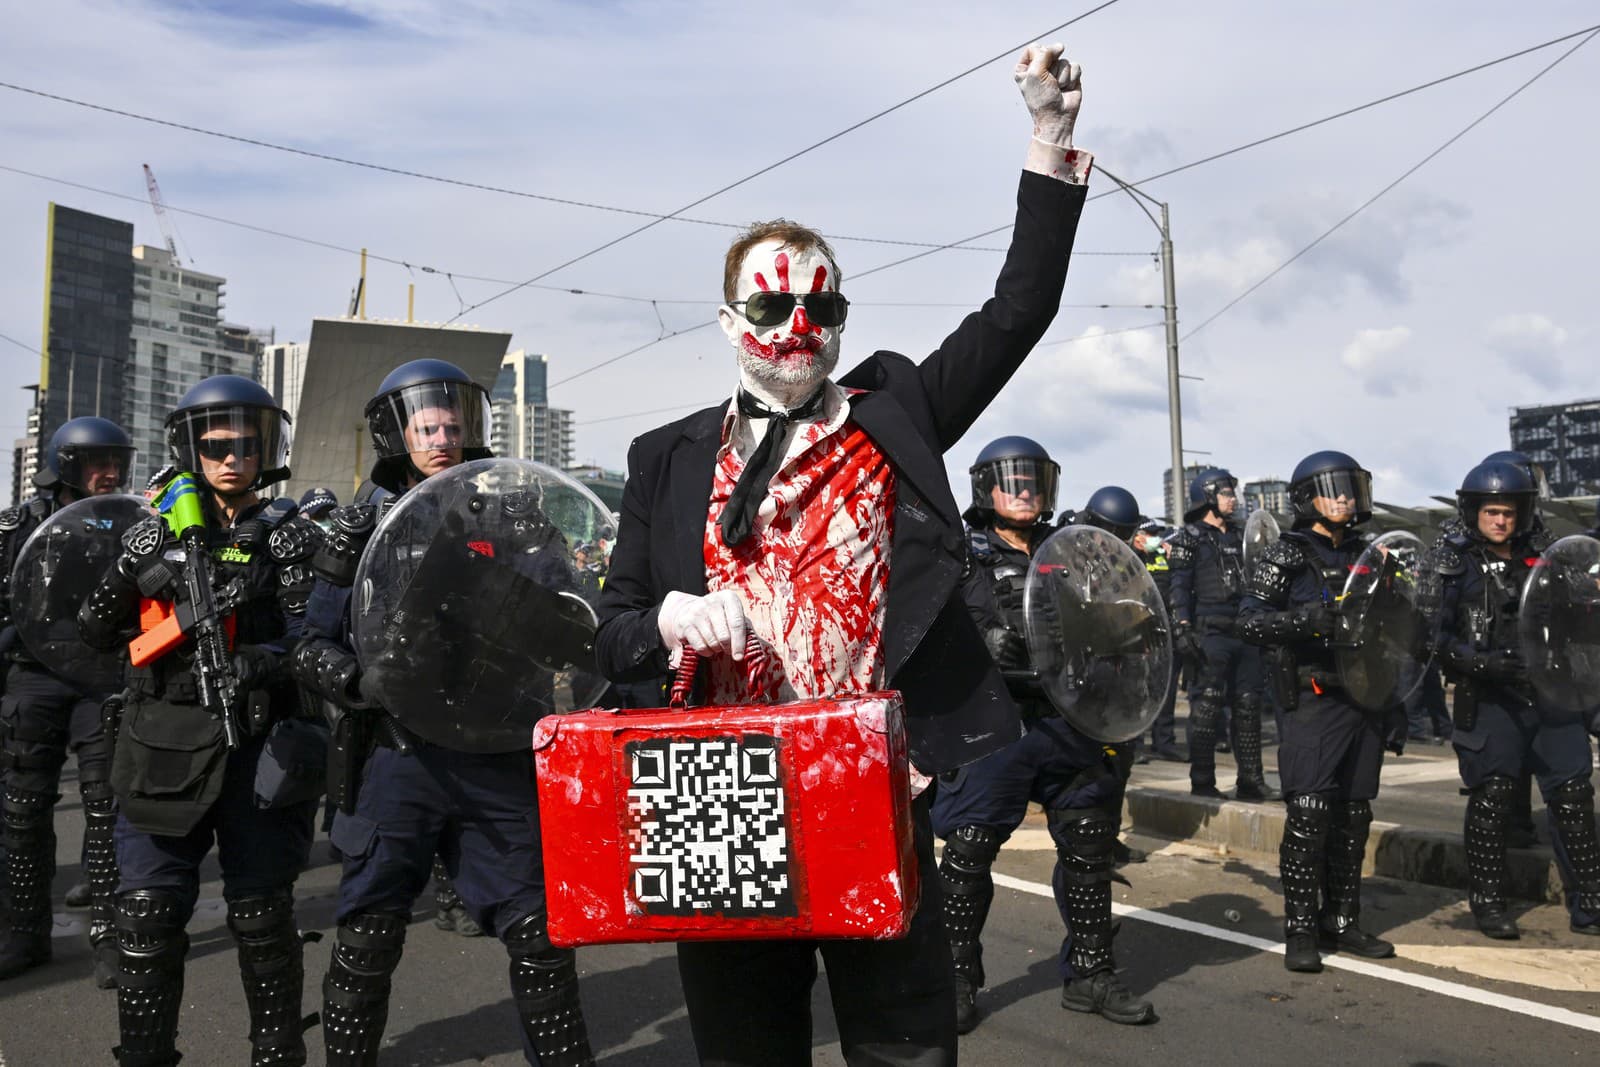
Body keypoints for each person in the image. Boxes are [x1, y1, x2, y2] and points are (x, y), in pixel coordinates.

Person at [592, 42, 1092, 1065]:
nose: (799, 325)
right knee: (743, 1046)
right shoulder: (664, 457)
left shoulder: (891, 412)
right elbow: (611, 629)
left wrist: (1047, 139)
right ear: (730, 321)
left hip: (871, 780)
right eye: (774, 305)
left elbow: (1015, 313)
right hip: (714, 786)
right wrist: (666, 618)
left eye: (821, 305)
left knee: (904, 1041)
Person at [291, 358, 595, 1066]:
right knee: (368, 938)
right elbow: (309, 647)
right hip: (399, 755)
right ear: (397, 432)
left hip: (494, 747)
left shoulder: (510, 515)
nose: (442, 436)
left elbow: (572, 621)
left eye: (453, 423)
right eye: (426, 424)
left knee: (542, 938)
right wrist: (359, 684)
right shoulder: (360, 525)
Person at [76, 376, 324, 1065]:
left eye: (245, 442)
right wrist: (129, 567)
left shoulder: (289, 534)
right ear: (190, 448)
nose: (230, 456)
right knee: (148, 918)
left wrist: (261, 664)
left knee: (262, 915)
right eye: (214, 443)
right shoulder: (150, 529)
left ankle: (277, 1053)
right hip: (161, 742)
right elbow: (94, 632)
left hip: (258, 745)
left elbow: (315, 638)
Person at [933, 455, 1155, 1034]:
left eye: (1034, 483)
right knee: (970, 848)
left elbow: (1109, 617)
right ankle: (955, 979)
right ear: (987, 489)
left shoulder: (1073, 551)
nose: (1025, 493)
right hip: (992, 721)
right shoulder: (957, 552)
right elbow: (922, 624)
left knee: (1089, 846)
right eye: (1013, 483)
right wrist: (980, 640)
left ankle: (1090, 974)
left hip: (1067, 719)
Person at [1236, 450, 1400, 973]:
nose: (1344, 499)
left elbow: (1398, 625)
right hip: (1312, 698)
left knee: (1354, 816)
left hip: (1365, 698)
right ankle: (1301, 928)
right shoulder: (1285, 554)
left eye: (1350, 489)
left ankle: (1343, 920)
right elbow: (1250, 623)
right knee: (1310, 814)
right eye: (1333, 490)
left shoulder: (1372, 555)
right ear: (1307, 498)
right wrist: (1311, 622)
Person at [1424, 459, 1600, 940]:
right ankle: (1488, 903)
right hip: (1490, 699)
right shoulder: (1450, 560)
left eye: (1508, 512)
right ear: (1474, 511)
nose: (1500, 521)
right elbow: (1429, 639)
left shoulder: (1548, 555)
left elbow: (1581, 617)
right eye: (1491, 511)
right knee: (1493, 799)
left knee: (1573, 796)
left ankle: (1590, 903)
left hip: (1551, 695)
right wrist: (1479, 664)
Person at [0, 417, 135, 986]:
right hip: (33, 676)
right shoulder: (19, 525)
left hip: (101, 677)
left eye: (114, 461)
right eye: (94, 462)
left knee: (107, 807)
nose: (107, 472)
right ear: (65, 465)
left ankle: (110, 934)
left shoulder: (130, 522)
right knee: (21, 809)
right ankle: (24, 933)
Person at [1168, 468, 1274, 800]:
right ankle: (1202, 781)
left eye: (1232, 493)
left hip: (1244, 631)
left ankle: (1251, 781)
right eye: (1226, 493)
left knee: (1247, 707)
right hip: (1209, 633)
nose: (1233, 499)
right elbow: (1179, 589)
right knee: (1207, 708)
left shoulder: (1242, 536)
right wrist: (1182, 628)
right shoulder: (1188, 538)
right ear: (1209, 497)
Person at [1133, 520, 1183, 761]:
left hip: (1164, 630)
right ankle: (1136, 744)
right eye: (1149, 534)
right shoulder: (1129, 557)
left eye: (1156, 534)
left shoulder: (1164, 555)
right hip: (1139, 631)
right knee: (1139, 689)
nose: (1154, 538)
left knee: (1166, 688)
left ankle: (1165, 742)